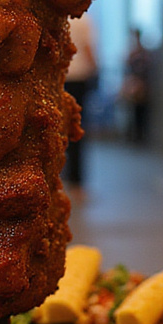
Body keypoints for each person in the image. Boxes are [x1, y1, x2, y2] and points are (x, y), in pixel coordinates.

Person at [63, 12, 98, 200]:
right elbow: (88, 49)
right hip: (78, 78)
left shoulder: (56, 16)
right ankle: (76, 184)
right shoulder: (84, 19)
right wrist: (95, 71)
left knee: (54, 128)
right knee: (77, 130)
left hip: (59, 76)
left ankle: (57, 179)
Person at [121, 27, 151, 144]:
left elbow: (143, 69)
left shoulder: (140, 52)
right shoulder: (132, 52)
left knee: (140, 112)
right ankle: (133, 136)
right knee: (132, 110)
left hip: (140, 84)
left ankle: (140, 136)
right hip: (134, 83)